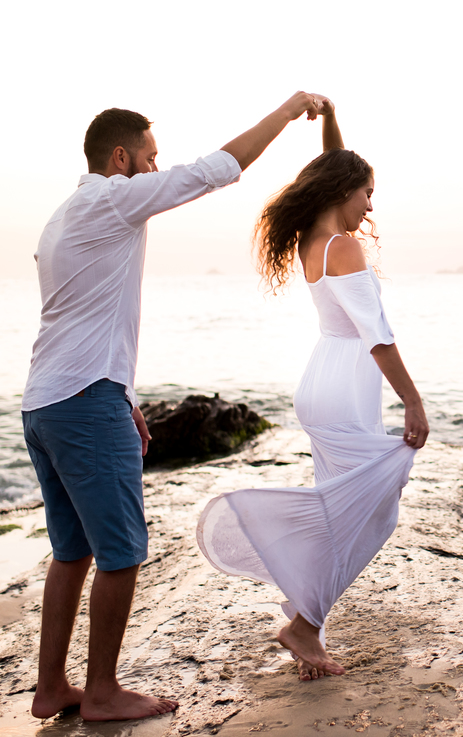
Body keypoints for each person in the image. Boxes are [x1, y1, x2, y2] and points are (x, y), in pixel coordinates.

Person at [21, 92, 330, 721]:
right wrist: (288, 109)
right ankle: (102, 691)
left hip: (48, 402)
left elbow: (86, 317)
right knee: (122, 551)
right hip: (84, 402)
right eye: (150, 158)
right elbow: (219, 167)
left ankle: (52, 688)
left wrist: (124, 395)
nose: (157, 170)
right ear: (119, 157)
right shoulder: (112, 198)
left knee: (72, 551)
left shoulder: (63, 216)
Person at [196, 101, 428, 681]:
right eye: (367, 192)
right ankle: (303, 624)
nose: (370, 205)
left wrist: (328, 118)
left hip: (321, 383)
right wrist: (414, 401)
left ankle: (307, 630)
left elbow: (333, 165)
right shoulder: (344, 247)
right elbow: (376, 337)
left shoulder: (313, 239)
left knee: (339, 511)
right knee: (369, 514)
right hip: (347, 386)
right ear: (345, 190)